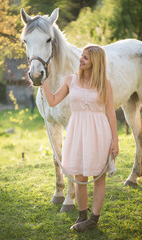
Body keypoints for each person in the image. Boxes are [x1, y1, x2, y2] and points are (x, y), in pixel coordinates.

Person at [42, 45, 119, 232]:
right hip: (77, 132)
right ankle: (82, 215)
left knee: (99, 178)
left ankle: (94, 219)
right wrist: (42, 81)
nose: (81, 60)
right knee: (79, 177)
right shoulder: (71, 80)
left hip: (99, 132)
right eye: (82, 56)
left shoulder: (104, 83)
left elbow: (110, 112)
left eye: (86, 58)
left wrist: (115, 140)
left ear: (96, 62)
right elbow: (52, 100)